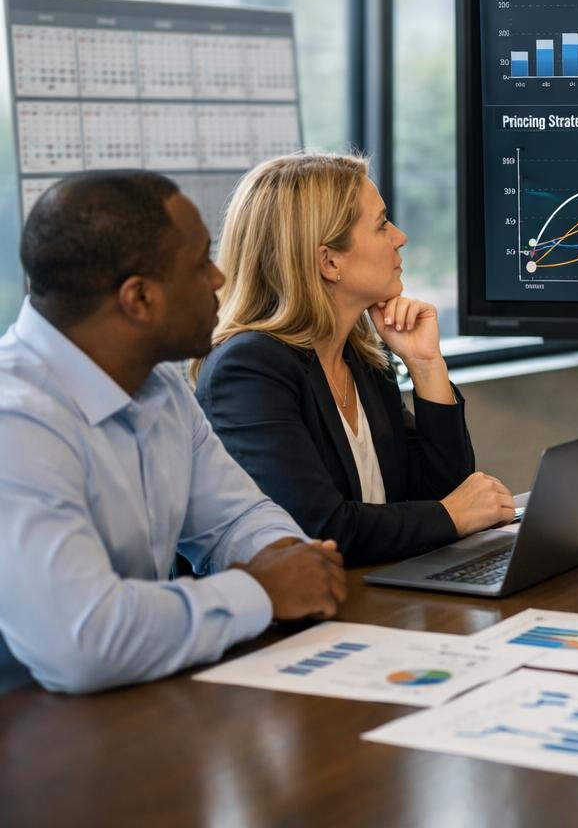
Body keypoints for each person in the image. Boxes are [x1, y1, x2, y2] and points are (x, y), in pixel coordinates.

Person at [0, 171, 346, 694]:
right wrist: (260, 590)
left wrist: (292, 560)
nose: (219, 278)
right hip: (34, 725)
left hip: (139, 696)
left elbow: (238, 518)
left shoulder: (158, 381)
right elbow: (84, 642)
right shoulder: (16, 421)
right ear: (138, 298)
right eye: (200, 261)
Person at [193, 155, 518, 566]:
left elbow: (444, 493)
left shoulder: (362, 357)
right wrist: (452, 514)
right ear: (329, 261)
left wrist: (426, 364)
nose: (400, 237)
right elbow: (319, 531)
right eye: (382, 224)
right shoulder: (248, 370)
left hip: (375, 596)